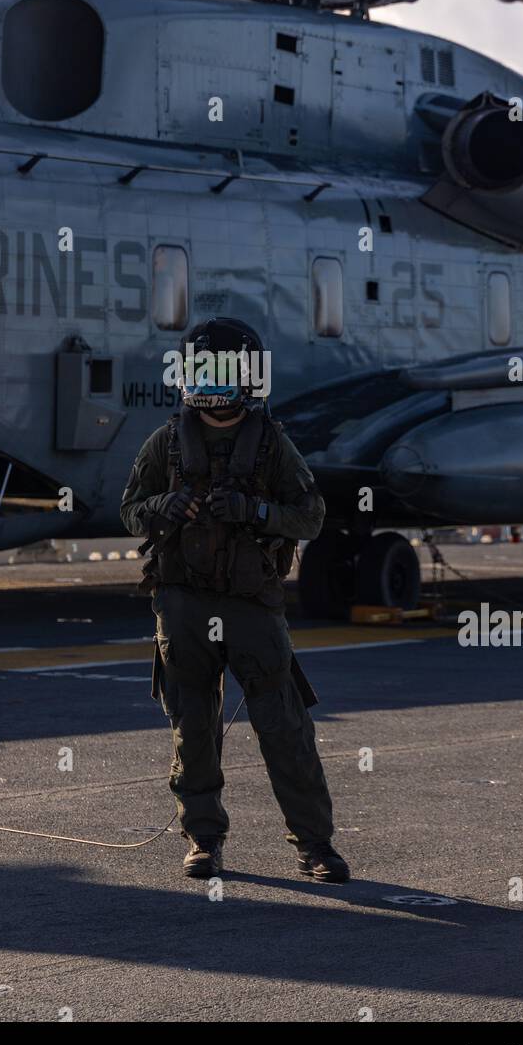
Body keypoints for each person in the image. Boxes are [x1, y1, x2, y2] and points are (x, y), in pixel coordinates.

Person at [120, 316, 349, 883]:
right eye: (202, 369)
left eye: (222, 371)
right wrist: (163, 509)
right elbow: (130, 509)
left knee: (285, 729)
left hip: (250, 604)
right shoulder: (168, 442)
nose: (211, 382)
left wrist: (256, 513)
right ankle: (203, 840)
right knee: (192, 728)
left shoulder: (271, 444)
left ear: (247, 377)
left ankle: (315, 846)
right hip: (183, 604)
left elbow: (312, 516)